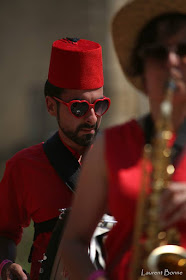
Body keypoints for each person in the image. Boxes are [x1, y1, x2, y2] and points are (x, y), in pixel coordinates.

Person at [60, 1, 186, 279]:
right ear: (141, 68)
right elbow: (72, 242)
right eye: (157, 53)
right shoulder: (109, 145)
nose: (172, 61)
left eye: (183, 49)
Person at [0, 37, 111, 280]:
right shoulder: (23, 167)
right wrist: (6, 264)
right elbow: (3, 232)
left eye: (99, 105)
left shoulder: (124, 159)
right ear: (51, 106)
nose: (92, 118)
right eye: (80, 108)